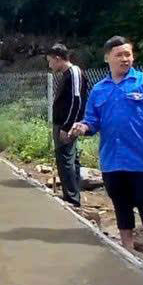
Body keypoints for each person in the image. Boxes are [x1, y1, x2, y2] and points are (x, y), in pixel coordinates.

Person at [69, 36, 143, 261]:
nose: (125, 59)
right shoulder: (99, 90)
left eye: (128, 54)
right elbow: (92, 122)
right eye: (119, 55)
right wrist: (82, 127)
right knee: (121, 205)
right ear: (107, 58)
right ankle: (127, 250)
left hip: (141, 160)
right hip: (112, 160)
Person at [45, 43, 88, 206]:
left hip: (66, 125)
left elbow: (76, 101)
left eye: (50, 61)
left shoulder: (74, 72)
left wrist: (67, 126)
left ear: (58, 58)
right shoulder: (66, 74)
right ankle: (71, 194)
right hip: (61, 124)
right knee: (66, 159)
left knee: (67, 159)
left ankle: (72, 198)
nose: (49, 65)